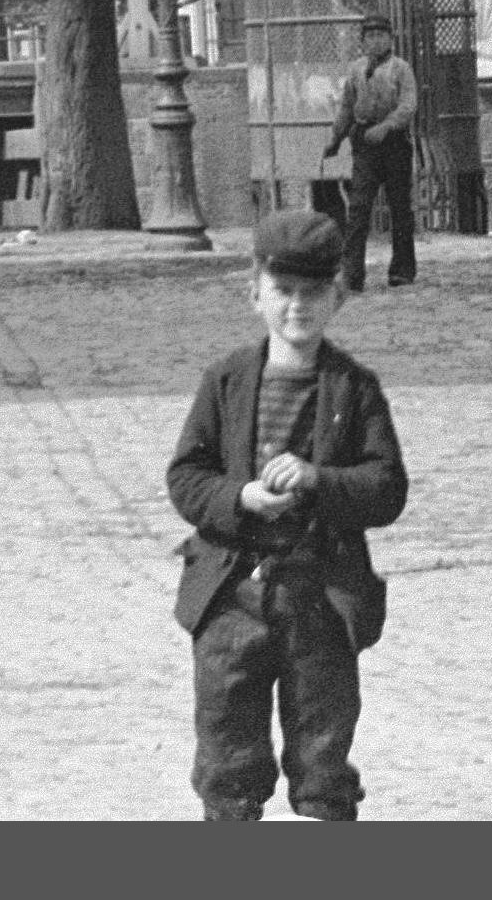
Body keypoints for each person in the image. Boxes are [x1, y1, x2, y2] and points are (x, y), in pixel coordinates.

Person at [167, 207, 408, 822]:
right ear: (255, 293)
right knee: (227, 762)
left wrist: (318, 480)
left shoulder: (355, 389)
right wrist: (240, 498)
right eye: (282, 290)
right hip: (231, 595)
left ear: (337, 299)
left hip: (320, 596)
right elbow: (186, 478)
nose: (297, 306)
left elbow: (387, 489)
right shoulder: (225, 382)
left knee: (323, 758)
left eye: (313, 293)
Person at [319, 16, 416, 294]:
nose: (376, 41)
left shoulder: (401, 69)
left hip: (394, 143)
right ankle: (352, 274)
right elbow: (347, 108)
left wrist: (387, 126)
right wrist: (336, 139)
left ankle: (401, 271)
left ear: (390, 39)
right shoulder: (356, 70)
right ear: (362, 41)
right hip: (365, 144)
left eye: (381, 35)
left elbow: (408, 105)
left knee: (400, 208)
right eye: (370, 36)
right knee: (358, 209)